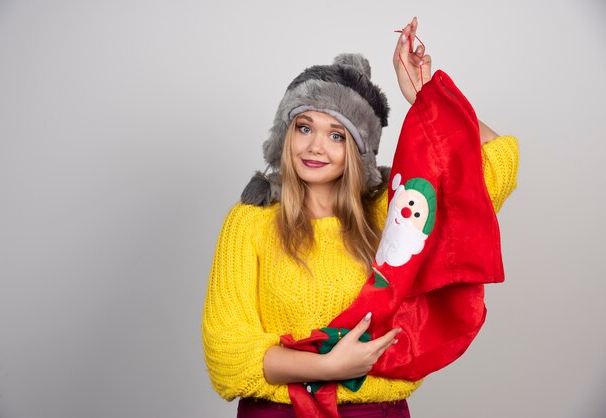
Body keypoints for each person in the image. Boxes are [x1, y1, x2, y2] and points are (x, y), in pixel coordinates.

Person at [202, 17, 519, 418]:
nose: (316, 146)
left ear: (359, 148)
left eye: (337, 134)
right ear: (286, 134)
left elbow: (495, 160)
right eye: (304, 127)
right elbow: (226, 354)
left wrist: (427, 97)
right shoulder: (250, 222)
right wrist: (327, 367)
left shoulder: (393, 213)